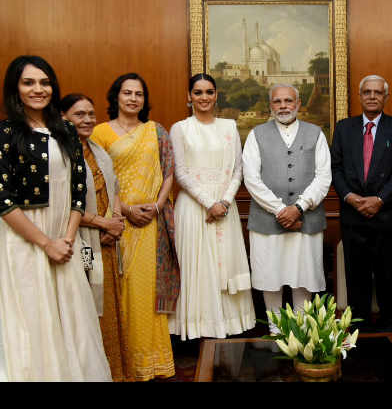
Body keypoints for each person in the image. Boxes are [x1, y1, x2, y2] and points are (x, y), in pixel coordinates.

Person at [0, 55, 111, 381]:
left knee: (73, 324)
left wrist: (66, 240)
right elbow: (3, 199)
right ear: (15, 88)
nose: (38, 89)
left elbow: (79, 191)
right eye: (28, 82)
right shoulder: (6, 133)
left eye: (45, 82)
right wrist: (45, 243)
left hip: (65, 244)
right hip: (25, 244)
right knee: (33, 322)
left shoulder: (66, 131)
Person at [90, 72, 179, 381]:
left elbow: (168, 173)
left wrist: (156, 207)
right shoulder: (100, 133)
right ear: (116, 96)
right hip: (116, 223)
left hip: (151, 224)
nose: (132, 98)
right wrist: (126, 210)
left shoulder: (155, 131)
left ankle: (152, 362)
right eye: (127, 93)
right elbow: (97, 178)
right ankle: (124, 362)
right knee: (121, 292)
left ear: (144, 99)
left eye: (138, 94)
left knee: (146, 293)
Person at [168, 73, 255, 339]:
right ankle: (199, 326)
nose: (204, 97)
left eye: (209, 92)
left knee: (225, 261)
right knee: (197, 266)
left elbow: (238, 169)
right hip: (194, 208)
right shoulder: (180, 128)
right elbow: (180, 172)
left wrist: (224, 202)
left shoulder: (229, 126)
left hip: (225, 207)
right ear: (189, 96)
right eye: (198, 92)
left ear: (216, 95)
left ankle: (228, 325)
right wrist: (209, 203)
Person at [242, 84, 331, 332]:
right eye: (277, 101)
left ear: (298, 104)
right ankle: (276, 331)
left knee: (304, 278)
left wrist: (299, 207)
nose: (283, 106)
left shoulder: (316, 133)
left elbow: (324, 176)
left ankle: (302, 334)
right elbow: (251, 178)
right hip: (267, 221)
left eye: (288, 101)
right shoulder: (256, 134)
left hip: (307, 220)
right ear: (270, 105)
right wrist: (281, 210)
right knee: (270, 278)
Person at [60, 93, 132, 381]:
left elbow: (115, 189)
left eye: (91, 114)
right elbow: (65, 204)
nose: (87, 120)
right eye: (79, 114)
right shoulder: (62, 154)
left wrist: (115, 223)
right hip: (84, 244)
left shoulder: (99, 151)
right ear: (63, 118)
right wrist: (103, 224)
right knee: (89, 302)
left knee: (111, 306)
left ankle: (114, 371)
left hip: (109, 241)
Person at [331, 75, 392, 332]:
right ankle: (359, 332)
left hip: (387, 216)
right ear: (359, 96)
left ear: (386, 97)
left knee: (390, 279)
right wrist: (350, 197)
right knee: (357, 280)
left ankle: (391, 333)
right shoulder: (343, 128)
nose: (372, 96)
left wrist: (379, 199)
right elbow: (336, 168)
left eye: (378, 92)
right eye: (367, 92)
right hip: (353, 217)